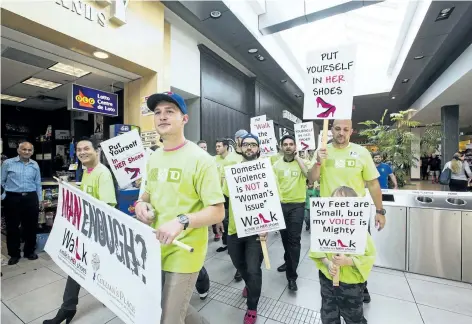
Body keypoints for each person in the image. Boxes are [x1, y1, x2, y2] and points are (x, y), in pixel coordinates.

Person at [135, 91, 225, 324]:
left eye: (170, 111)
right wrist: (140, 205)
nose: (162, 117)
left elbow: (218, 211)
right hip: (155, 247)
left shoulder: (201, 159)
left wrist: (181, 221)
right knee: (169, 308)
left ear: (184, 118)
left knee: (169, 319)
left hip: (184, 251)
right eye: (158, 112)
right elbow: (146, 195)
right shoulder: (153, 158)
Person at [310, 119, 385, 304]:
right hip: (328, 216)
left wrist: (380, 210)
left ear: (352, 131)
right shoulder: (322, 152)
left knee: (357, 253)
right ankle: (331, 289)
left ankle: (362, 287)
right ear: (331, 130)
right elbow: (311, 180)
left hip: (355, 215)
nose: (341, 133)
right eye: (337, 129)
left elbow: (373, 183)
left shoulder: (361, 153)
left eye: (345, 129)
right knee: (329, 256)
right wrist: (318, 162)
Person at [44, 138, 117, 324]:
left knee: (78, 267)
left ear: (96, 151)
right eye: (79, 150)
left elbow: (107, 208)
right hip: (86, 229)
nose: (82, 152)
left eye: (86, 149)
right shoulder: (87, 172)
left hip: (97, 232)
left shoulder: (103, 173)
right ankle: (69, 308)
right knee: (80, 267)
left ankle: (67, 309)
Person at [311, 186, 376, 324]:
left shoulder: (361, 232)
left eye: (344, 203)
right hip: (328, 281)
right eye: (335, 203)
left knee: (354, 317)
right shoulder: (324, 227)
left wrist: (348, 261)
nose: (339, 207)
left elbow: (369, 256)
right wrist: (327, 263)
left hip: (351, 286)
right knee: (328, 315)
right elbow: (316, 249)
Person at [222, 133, 267, 324]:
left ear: (258, 148)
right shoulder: (232, 169)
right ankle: (249, 283)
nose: (250, 147)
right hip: (234, 228)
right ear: (241, 147)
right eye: (246, 144)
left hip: (257, 231)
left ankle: (252, 307)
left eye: (253, 144)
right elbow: (225, 197)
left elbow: (274, 200)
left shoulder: (266, 170)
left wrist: (267, 226)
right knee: (238, 264)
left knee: (253, 269)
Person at [273, 134, 310, 291]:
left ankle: (292, 276)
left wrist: (298, 159)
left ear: (295, 146)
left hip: (297, 205)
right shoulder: (276, 165)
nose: (288, 146)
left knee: (294, 241)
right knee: (285, 239)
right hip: (281, 206)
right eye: (285, 144)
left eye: (291, 144)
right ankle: (288, 262)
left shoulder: (303, 162)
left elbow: (310, 176)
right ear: (281, 147)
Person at [1, 141, 42, 265]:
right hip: (12, 198)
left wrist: (39, 200)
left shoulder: (35, 164)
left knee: (30, 226)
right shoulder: (8, 163)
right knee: (12, 227)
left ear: (32, 152)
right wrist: (3, 196)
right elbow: (1, 181)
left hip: (30, 197)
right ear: (18, 150)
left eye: (29, 150)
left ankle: (29, 251)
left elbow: (38, 183)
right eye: (24, 149)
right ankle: (14, 254)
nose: (27, 152)